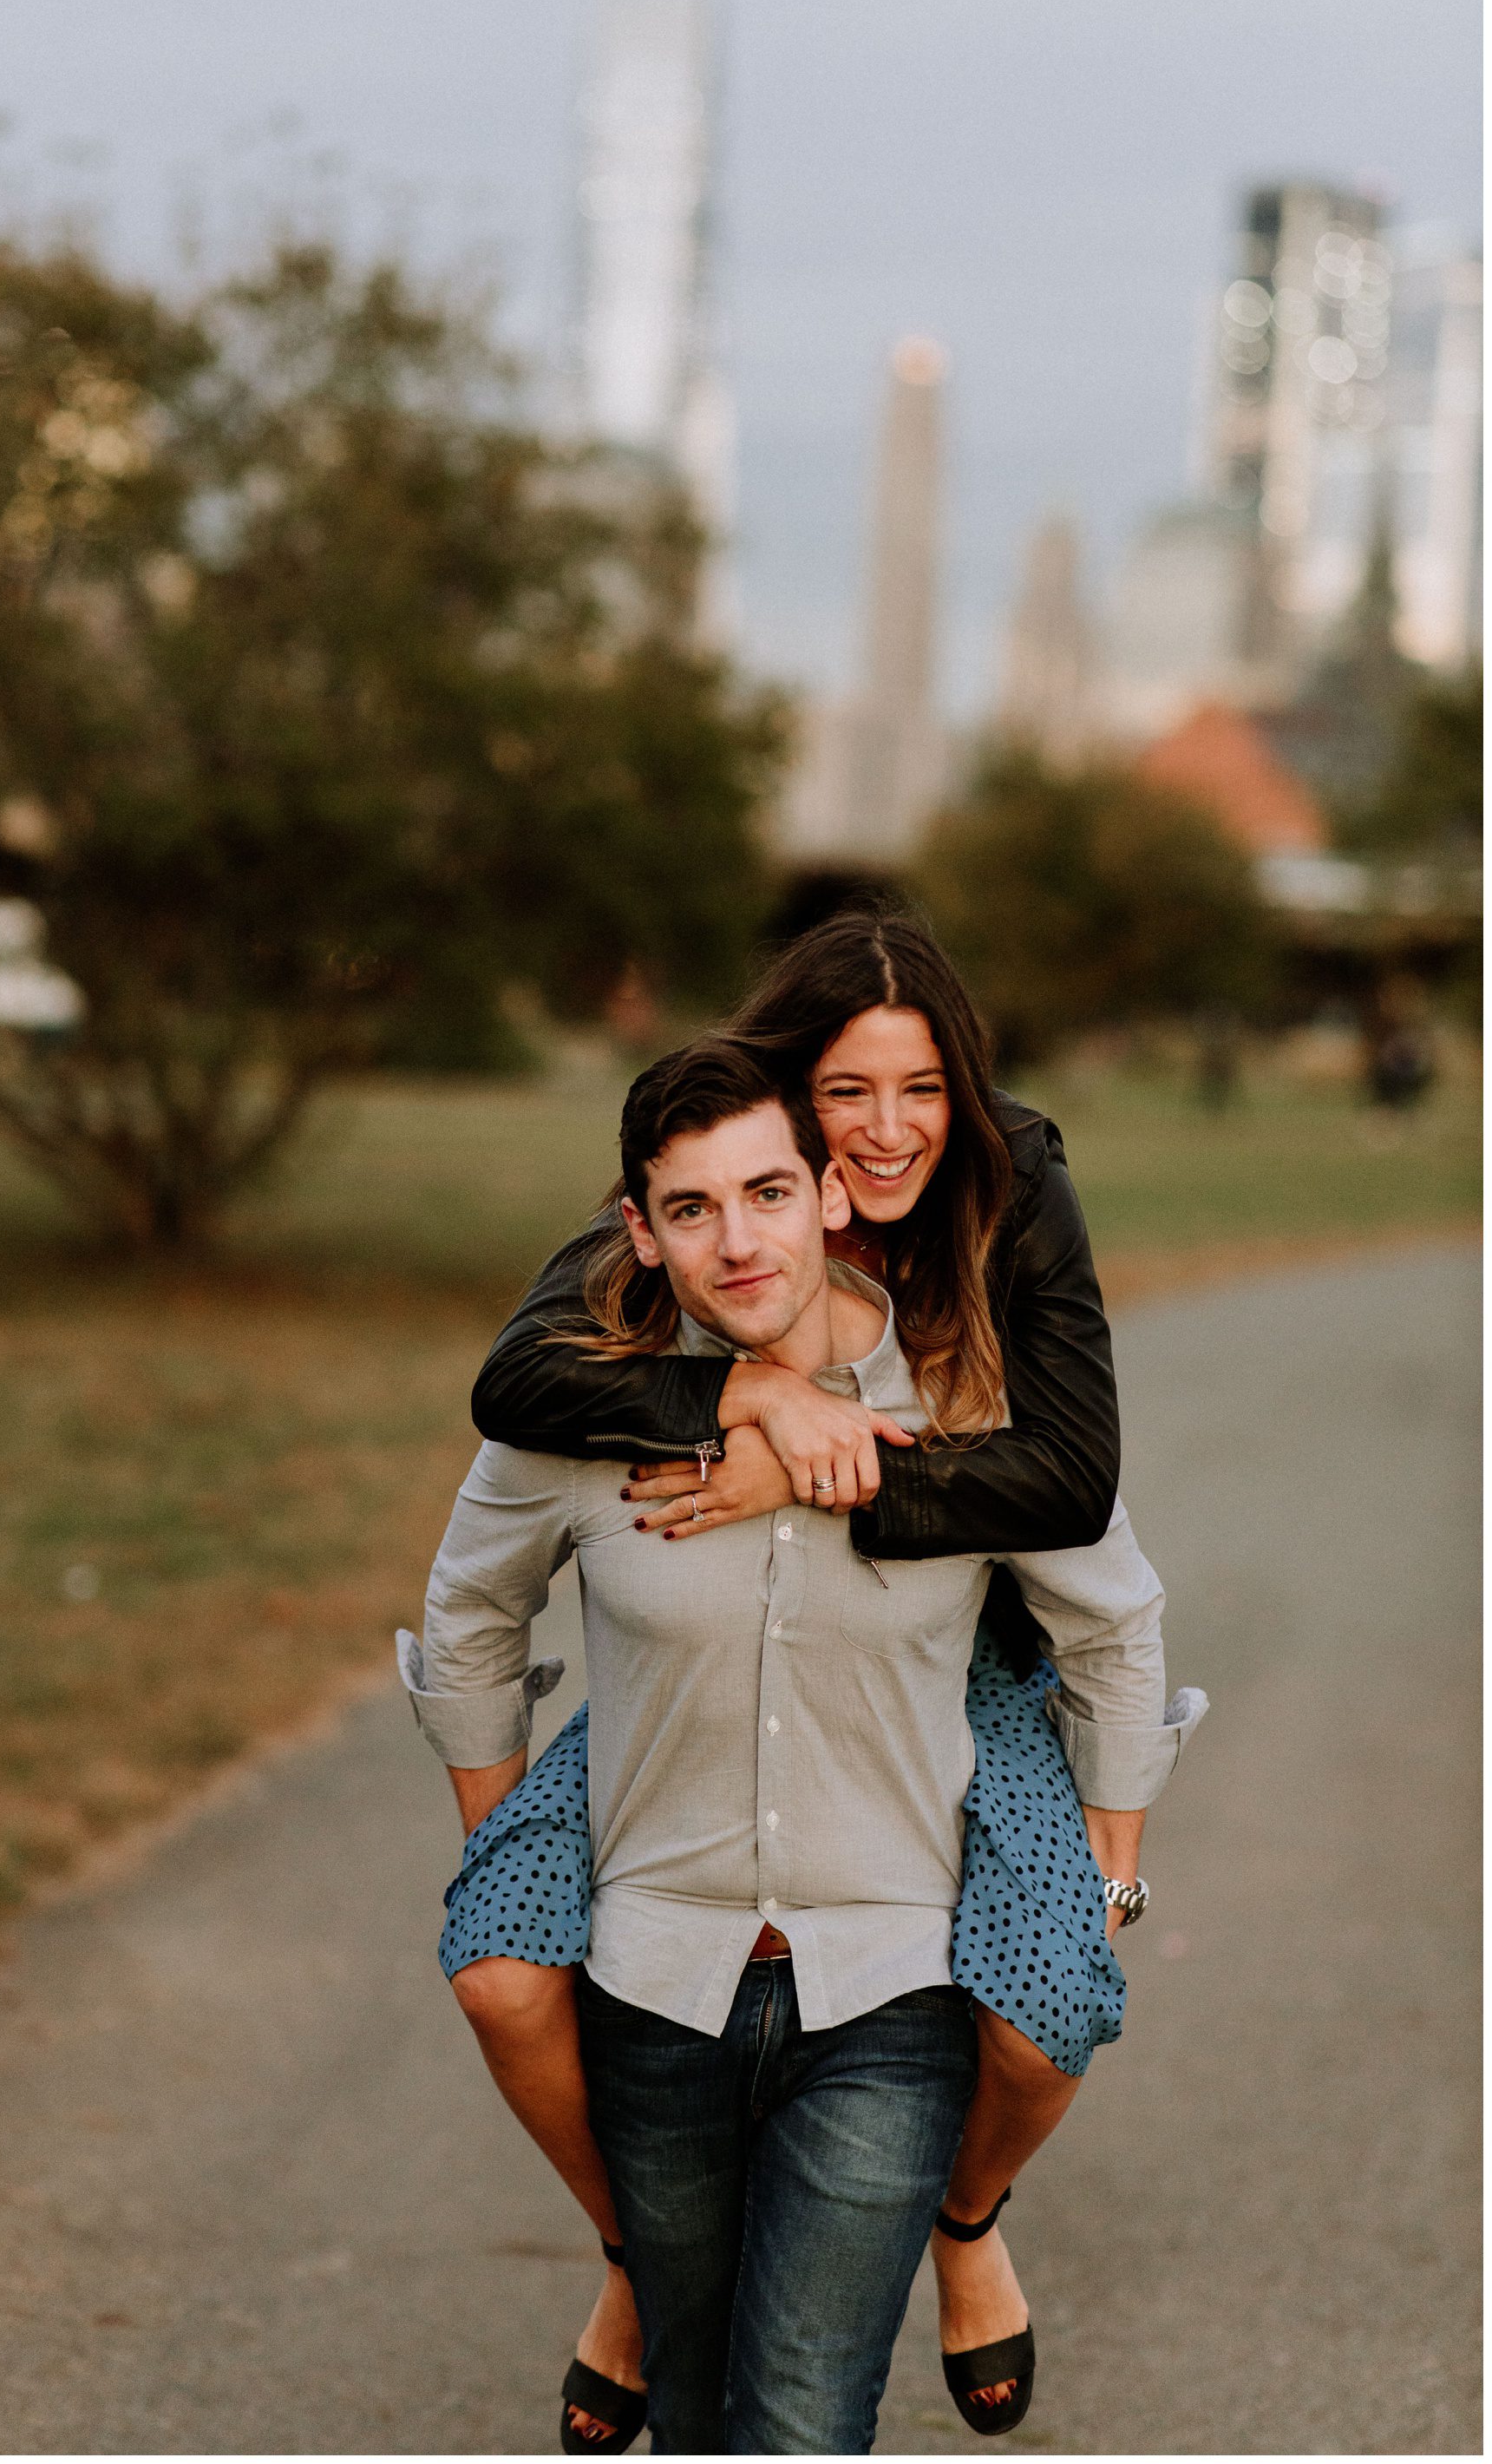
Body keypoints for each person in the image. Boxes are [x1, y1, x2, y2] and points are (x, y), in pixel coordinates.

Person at [444, 909, 1203, 2447]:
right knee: (502, 1956)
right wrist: (744, 1391)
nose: (886, 1127)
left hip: (956, 1671)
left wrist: (812, 1465)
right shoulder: (682, 1221)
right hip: (686, 1818)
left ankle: (967, 2222)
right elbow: (511, 1395)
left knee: (1055, 1989)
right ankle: (631, 2271)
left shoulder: (1005, 1195)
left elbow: (1076, 1499)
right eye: (846, 1092)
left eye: (919, 1089)